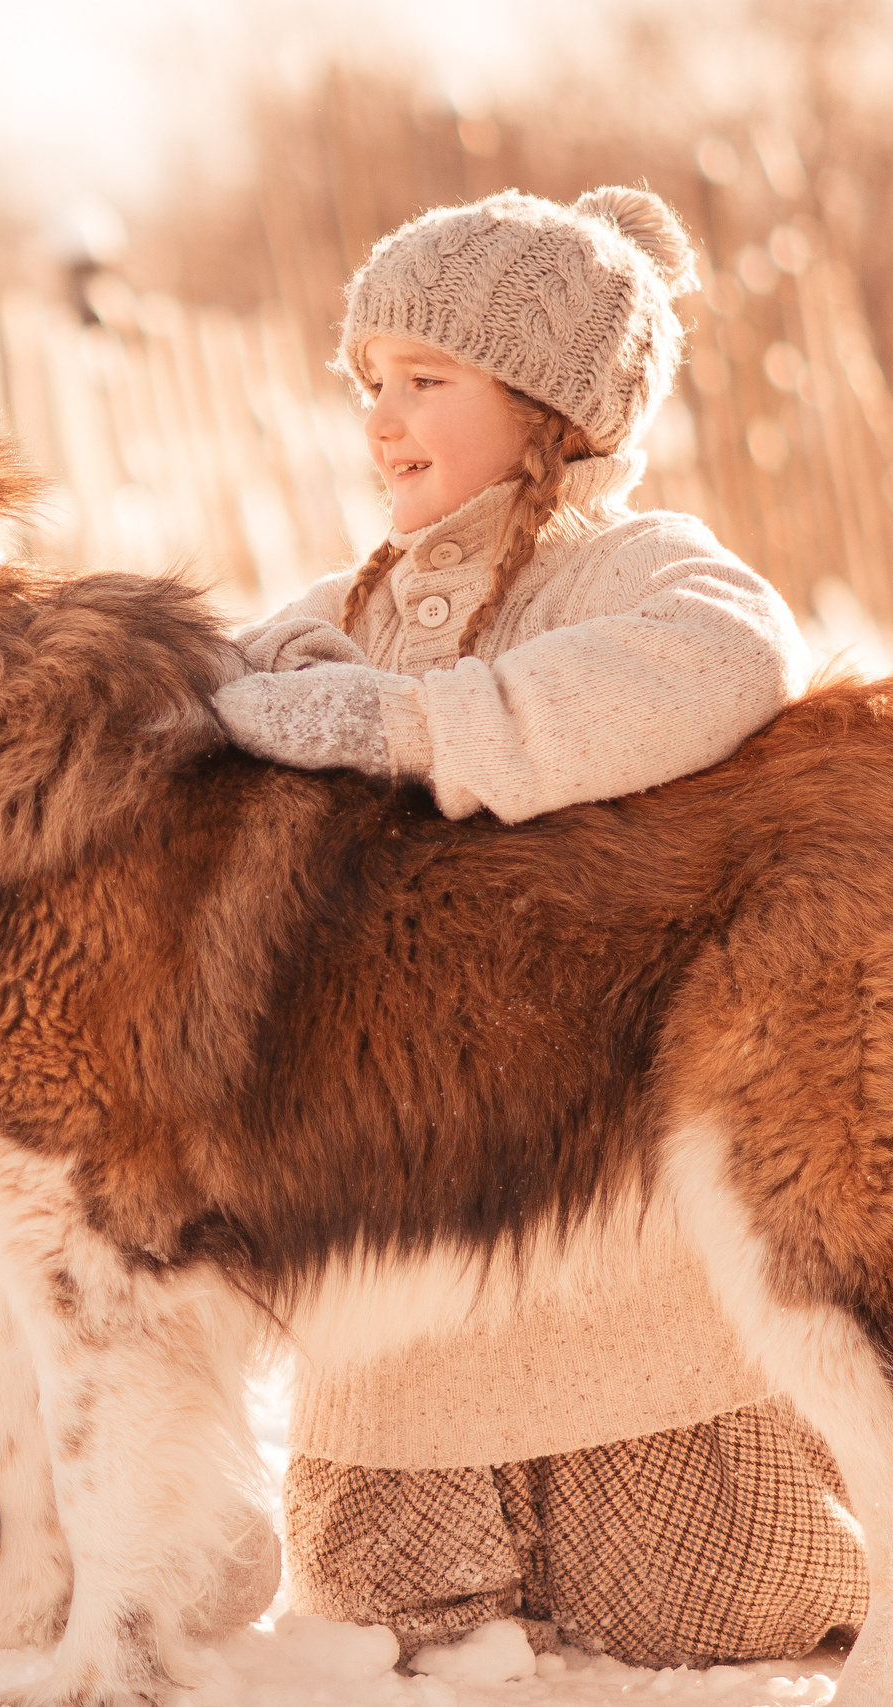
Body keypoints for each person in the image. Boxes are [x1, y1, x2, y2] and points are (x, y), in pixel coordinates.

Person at [214, 185, 870, 1668]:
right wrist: (250, 678)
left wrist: (417, 726)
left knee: (715, 1604)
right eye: (368, 381)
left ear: (554, 411)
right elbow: (208, 698)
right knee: (380, 1614)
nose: (382, 418)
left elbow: (725, 659)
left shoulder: (636, 571)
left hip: (597, 1206)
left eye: (426, 379)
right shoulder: (345, 607)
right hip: (400, 1211)